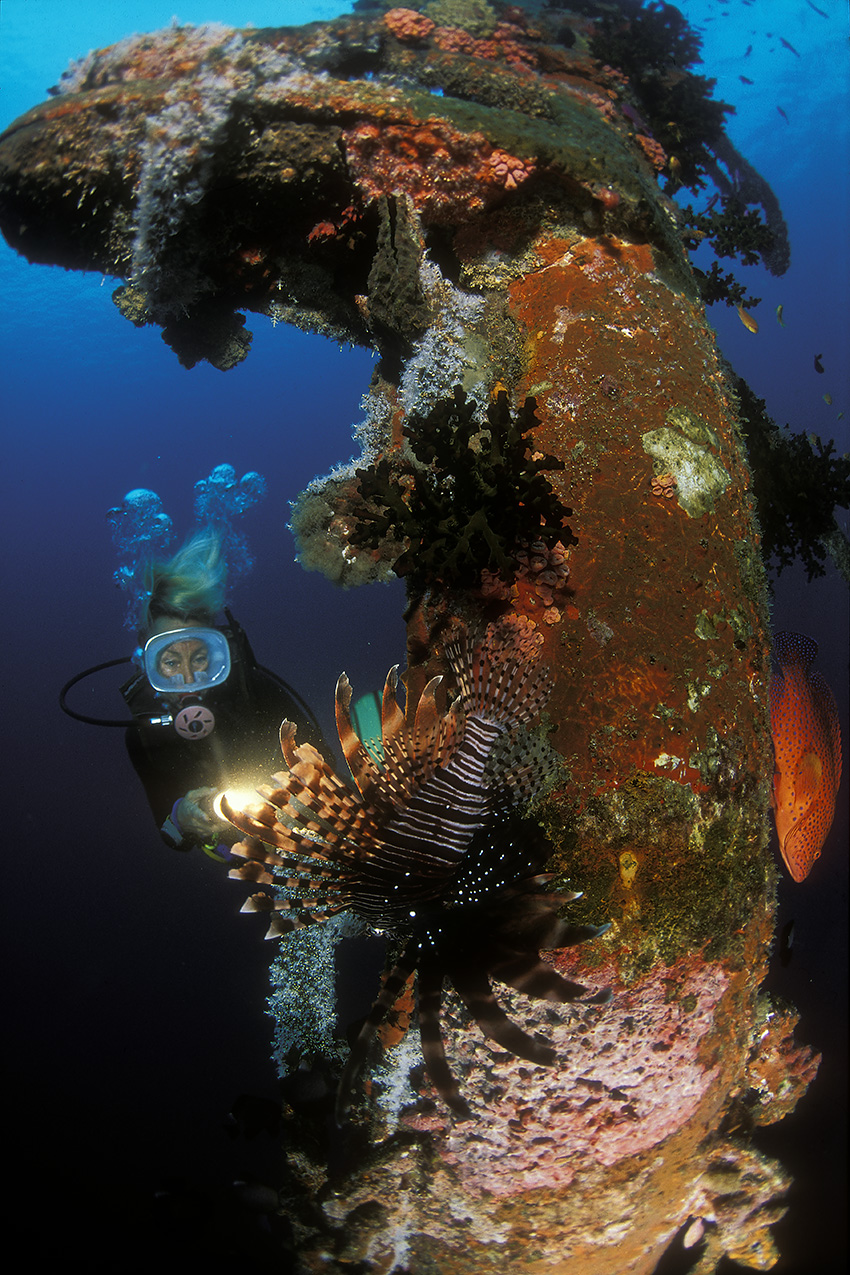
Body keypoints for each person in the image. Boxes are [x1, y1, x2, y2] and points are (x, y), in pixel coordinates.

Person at [120, 529, 327, 858]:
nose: (190, 678)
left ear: (217, 653)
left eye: (199, 658)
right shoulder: (143, 735)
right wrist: (182, 816)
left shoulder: (254, 690)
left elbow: (324, 762)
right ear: (148, 664)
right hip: (241, 856)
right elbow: (170, 834)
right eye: (171, 662)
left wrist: (285, 797)